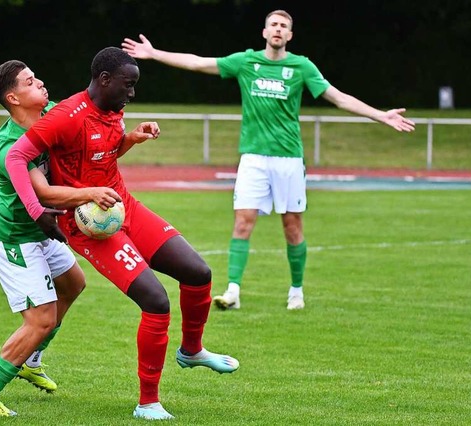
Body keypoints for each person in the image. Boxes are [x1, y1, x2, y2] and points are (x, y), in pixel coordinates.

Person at [122, 10, 416, 311]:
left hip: (289, 160)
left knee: (292, 227)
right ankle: (233, 291)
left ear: (289, 36)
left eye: (283, 26)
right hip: (253, 159)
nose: (277, 29)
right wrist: (154, 53)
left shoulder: (301, 67)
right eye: (273, 24)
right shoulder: (247, 62)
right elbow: (199, 62)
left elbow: (339, 98)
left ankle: (296, 291)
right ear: (265, 32)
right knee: (242, 223)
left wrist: (381, 115)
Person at [4, 47, 239, 421]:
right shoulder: (66, 116)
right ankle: (148, 403)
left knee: (199, 273)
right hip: (90, 225)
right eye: (128, 86)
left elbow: (103, 154)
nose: (132, 93)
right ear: (105, 80)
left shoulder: (114, 110)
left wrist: (131, 138)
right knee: (156, 300)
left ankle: (192, 350)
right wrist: (38, 210)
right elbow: (15, 157)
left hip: (123, 206)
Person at [0, 60, 118, 417]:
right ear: (14, 98)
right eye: (32, 82)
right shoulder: (9, 147)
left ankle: (32, 359)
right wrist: (91, 193)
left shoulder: (51, 112)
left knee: (73, 285)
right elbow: (45, 194)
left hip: (42, 229)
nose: (42, 83)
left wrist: (128, 138)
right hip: (14, 236)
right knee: (41, 320)